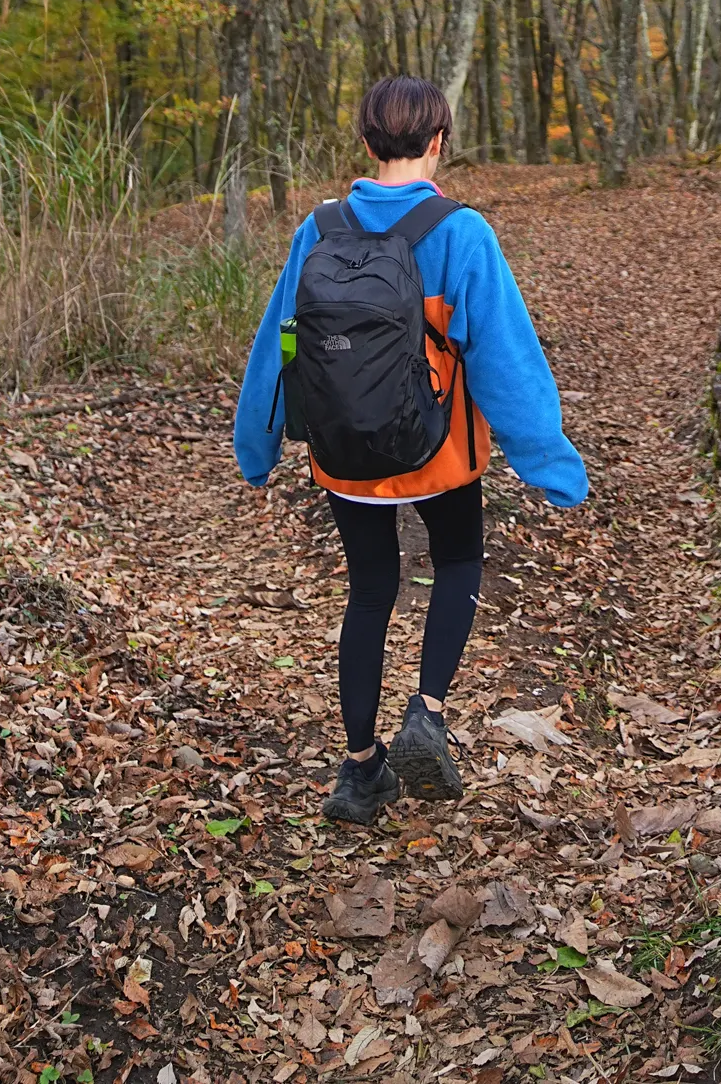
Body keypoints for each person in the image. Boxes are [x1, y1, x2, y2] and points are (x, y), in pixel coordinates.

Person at [234, 74, 588, 824]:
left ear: (366, 143)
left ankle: (360, 770)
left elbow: (278, 345)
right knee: (458, 561)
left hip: (344, 457)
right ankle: (426, 712)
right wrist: (549, 462)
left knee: (370, 589)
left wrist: (257, 447)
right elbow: (504, 359)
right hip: (438, 452)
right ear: (438, 143)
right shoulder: (460, 232)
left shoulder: (319, 228)